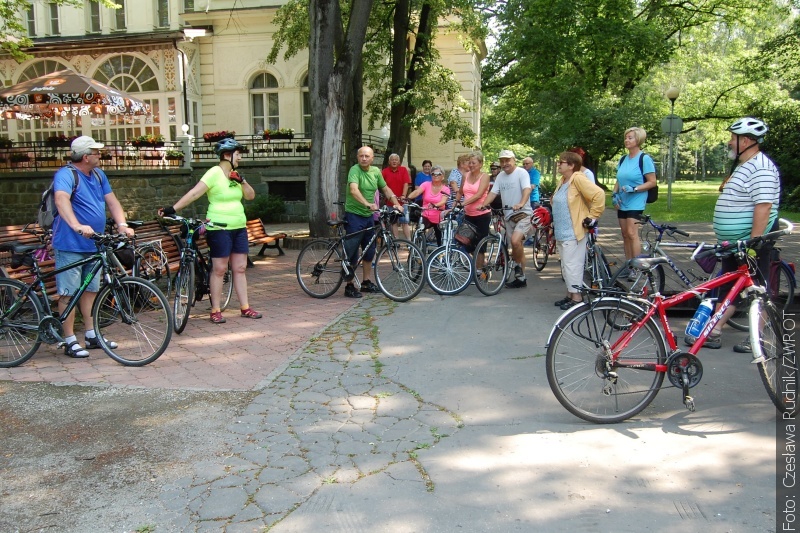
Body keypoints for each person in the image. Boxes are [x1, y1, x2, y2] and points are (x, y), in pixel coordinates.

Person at [684, 117, 780, 352]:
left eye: (733, 138)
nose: (729, 142)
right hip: (734, 243)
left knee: (757, 288)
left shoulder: (762, 167)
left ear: (745, 141)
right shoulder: (745, 165)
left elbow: (764, 206)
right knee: (729, 286)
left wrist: (753, 243)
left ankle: (760, 338)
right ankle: (715, 329)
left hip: (750, 243)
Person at [159, 138, 262, 324]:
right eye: (237, 154)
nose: (239, 158)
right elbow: (194, 193)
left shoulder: (235, 174)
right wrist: (173, 209)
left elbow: (251, 196)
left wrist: (243, 181)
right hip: (219, 227)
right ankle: (215, 309)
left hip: (238, 227)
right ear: (227, 155)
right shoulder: (214, 173)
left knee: (240, 267)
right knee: (220, 268)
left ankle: (245, 307)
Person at [52, 136, 135, 358]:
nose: (100, 155)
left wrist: (122, 224)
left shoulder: (99, 175)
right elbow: (61, 201)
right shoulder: (66, 175)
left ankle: (91, 335)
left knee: (90, 292)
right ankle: (69, 339)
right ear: (86, 156)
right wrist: (76, 225)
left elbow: (112, 201)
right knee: (68, 293)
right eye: (97, 152)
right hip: (70, 245)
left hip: (94, 245)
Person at [342, 146, 403, 298]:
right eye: (361, 156)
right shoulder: (354, 170)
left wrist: (396, 203)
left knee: (369, 250)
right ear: (358, 157)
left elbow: (385, 188)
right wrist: (367, 204)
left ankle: (366, 282)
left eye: (367, 156)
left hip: (369, 216)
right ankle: (349, 285)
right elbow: (354, 190)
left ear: (372, 158)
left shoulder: (376, 171)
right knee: (353, 251)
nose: (364, 158)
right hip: (354, 215)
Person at [551, 151, 605, 310]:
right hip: (563, 231)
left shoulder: (578, 178)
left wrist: (592, 216)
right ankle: (570, 294)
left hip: (573, 231)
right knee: (566, 265)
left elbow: (599, 194)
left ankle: (577, 297)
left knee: (572, 264)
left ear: (571, 165)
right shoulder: (563, 180)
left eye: (561, 162)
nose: (558, 165)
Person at [479, 150, 533, 288]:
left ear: (514, 160)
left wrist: (521, 203)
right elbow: (493, 192)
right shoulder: (501, 176)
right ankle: (521, 277)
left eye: (507, 160)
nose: (504, 164)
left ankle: (516, 266)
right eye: (502, 161)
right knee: (516, 245)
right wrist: (483, 204)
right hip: (508, 215)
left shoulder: (522, 173)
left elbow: (527, 189)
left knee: (515, 241)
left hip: (523, 214)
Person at [612, 127, 657, 278]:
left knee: (632, 233)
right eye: (626, 137)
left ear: (638, 140)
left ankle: (638, 269)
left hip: (636, 200)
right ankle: (629, 265)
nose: (626, 140)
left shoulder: (644, 159)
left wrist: (635, 188)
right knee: (625, 234)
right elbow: (619, 180)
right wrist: (614, 194)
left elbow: (652, 182)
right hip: (622, 201)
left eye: (630, 138)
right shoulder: (623, 159)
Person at [405, 165, 450, 246]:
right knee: (418, 231)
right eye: (433, 174)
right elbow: (417, 192)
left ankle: (440, 255)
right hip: (426, 215)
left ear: (443, 176)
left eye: (438, 174)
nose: (435, 175)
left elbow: (443, 201)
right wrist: (408, 198)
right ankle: (414, 251)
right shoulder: (426, 184)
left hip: (438, 217)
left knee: (440, 240)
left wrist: (435, 205)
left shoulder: (445, 189)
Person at [459, 151, 492, 258]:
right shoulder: (465, 175)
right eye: (470, 163)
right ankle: (479, 264)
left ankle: (479, 271)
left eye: (473, 163)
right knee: (466, 243)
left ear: (481, 164)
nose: (471, 165)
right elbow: (460, 192)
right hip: (468, 215)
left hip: (482, 215)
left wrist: (463, 203)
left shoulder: (485, 176)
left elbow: (479, 195)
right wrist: (454, 205)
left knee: (480, 246)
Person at [381, 153, 412, 239]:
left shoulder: (403, 170)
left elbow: (406, 184)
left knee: (404, 222)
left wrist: (403, 195)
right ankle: (396, 241)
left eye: (396, 160)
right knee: (393, 222)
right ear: (389, 162)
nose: (394, 161)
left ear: (399, 162)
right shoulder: (385, 171)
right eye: (392, 160)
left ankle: (409, 242)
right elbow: (382, 185)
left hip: (402, 201)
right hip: (390, 202)